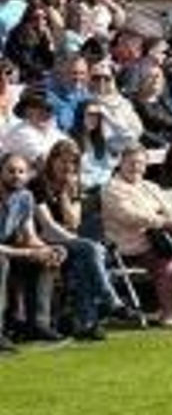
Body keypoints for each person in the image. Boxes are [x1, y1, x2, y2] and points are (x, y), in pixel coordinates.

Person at [31, 139, 126, 339]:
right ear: (52, 161)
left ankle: (86, 324)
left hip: (68, 240)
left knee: (85, 259)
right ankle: (108, 300)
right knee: (90, 250)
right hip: (42, 240)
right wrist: (83, 244)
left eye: (73, 162)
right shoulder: (38, 184)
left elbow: (73, 222)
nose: (68, 166)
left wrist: (66, 194)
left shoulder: (74, 184)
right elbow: (47, 227)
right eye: (63, 161)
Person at [98, 145, 172, 330]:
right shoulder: (112, 188)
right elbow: (128, 216)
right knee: (166, 261)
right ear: (121, 163)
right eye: (131, 163)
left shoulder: (150, 187)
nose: (136, 167)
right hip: (127, 244)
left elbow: (169, 208)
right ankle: (168, 312)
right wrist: (162, 221)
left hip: (157, 240)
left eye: (140, 163)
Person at [0, 152, 68, 345]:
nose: (16, 175)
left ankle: (37, 325)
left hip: (11, 249)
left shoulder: (25, 197)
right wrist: (29, 252)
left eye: (21, 172)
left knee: (45, 258)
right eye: (11, 171)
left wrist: (49, 249)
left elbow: (30, 236)